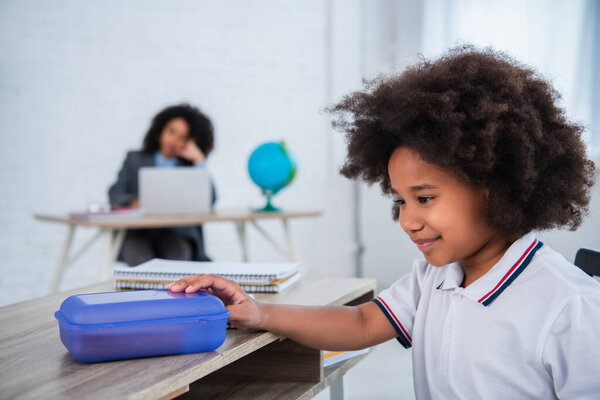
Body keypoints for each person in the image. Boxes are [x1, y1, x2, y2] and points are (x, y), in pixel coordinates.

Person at [168, 47, 600, 398]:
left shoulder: (570, 307)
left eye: (425, 198)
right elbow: (361, 323)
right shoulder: (433, 277)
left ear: (495, 184)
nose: (408, 221)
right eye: (399, 202)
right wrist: (258, 311)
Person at [108, 104, 216, 266]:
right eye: (171, 131)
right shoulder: (135, 159)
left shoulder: (189, 167)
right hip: (138, 232)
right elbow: (114, 194)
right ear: (160, 129)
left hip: (176, 233)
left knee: (178, 257)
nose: (173, 140)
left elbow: (210, 200)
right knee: (139, 259)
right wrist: (133, 202)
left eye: (182, 137)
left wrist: (200, 162)